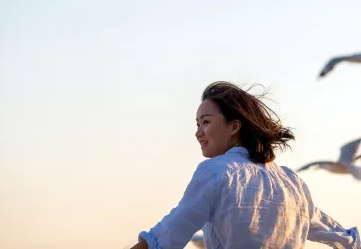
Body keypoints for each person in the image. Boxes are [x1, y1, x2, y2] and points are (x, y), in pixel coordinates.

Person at [130, 81, 360, 249]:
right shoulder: (293, 183)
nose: (198, 133)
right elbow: (345, 239)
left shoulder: (216, 172)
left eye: (206, 122)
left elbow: (166, 237)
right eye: (197, 124)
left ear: (234, 126)